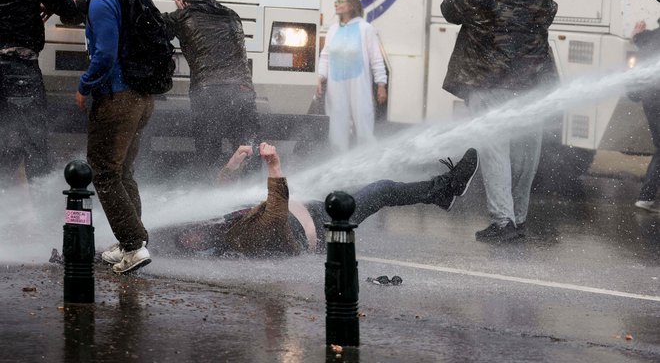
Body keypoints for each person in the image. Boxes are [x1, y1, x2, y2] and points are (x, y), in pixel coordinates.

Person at [151, 144, 479, 257]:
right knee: (381, 190)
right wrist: (274, 167)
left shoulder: (221, 224)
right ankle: (444, 189)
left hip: (317, 209)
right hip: (324, 229)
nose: (192, 233)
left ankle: (440, 195)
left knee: (375, 186)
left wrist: (235, 162)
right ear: (197, 249)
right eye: (188, 240)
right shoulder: (238, 240)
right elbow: (275, 217)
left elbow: (221, 195)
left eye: (188, 230)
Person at [441, 0, 558, 242]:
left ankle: (502, 221)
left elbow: (448, 10)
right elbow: (551, 12)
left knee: (495, 154)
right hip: (531, 88)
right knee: (524, 157)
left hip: (489, 85)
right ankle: (518, 219)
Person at [70, 0, 154, 274]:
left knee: (103, 172)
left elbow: (104, 54)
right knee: (122, 172)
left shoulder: (102, 0)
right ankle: (133, 241)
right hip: (141, 98)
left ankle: (133, 246)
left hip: (118, 98)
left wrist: (83, 85)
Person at [0, 0, 77, 182]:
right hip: (20, 66)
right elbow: (71, 12)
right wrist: (45, 7)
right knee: (33, 142)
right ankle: (42, 209)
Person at [162, 0, 259, 179]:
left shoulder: (184, 17)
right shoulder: (232, 15)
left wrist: (183, 12)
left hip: (209, 92)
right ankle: (252, 193)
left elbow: (153, 25)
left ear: (187, 3)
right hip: (242, 89)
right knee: (246, 147)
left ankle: (210, 192)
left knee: (208, 149)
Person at [316, 0, 387, 152]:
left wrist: (381, 84)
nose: (336, 4)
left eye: (340, 1)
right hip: (336, 86)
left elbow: (376, 58)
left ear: (351, 6)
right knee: (337, 125)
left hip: (358, 85)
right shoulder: (333, 30)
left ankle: (367, 158)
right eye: (336, 1)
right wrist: (320, 78)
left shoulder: (366, 29)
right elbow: (325, 56)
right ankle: (338, 157)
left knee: (363, 122)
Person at [617, 0, 660, 213]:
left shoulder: (651, 38)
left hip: (651, 98)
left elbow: (646, 39)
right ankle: (645, 196)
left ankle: (646, 196)